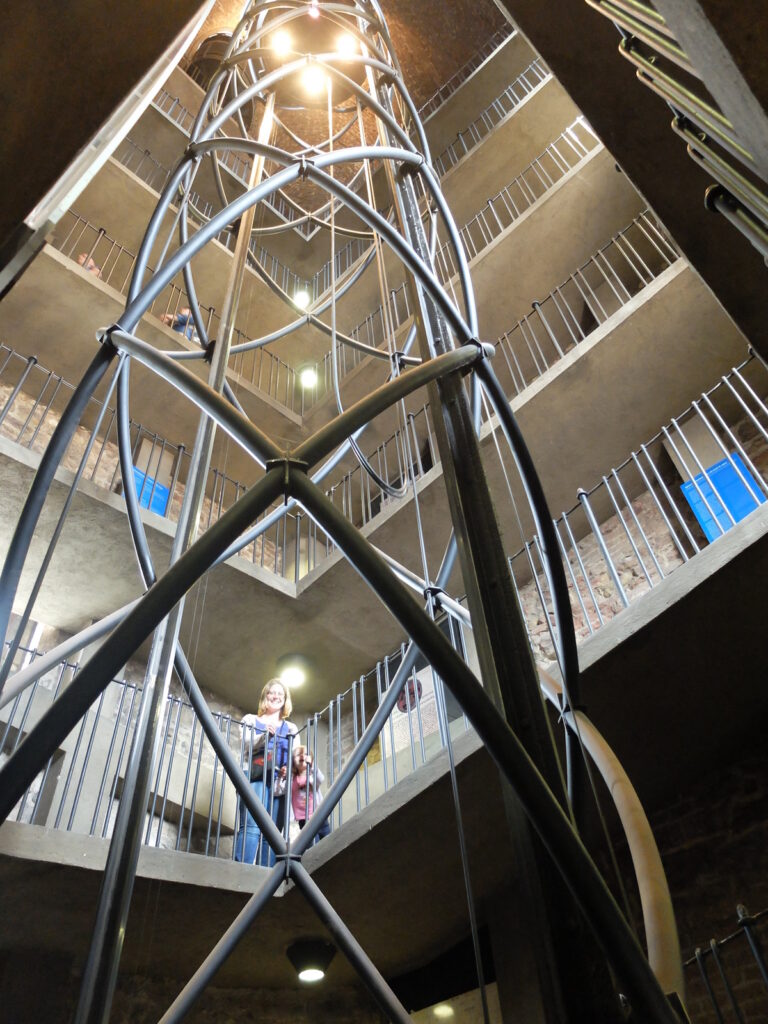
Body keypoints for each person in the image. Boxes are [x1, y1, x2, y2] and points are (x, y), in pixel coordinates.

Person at [235, 679, 297, 866]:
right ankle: (243, 869)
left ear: (285, 700)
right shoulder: (251, 720)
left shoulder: (291, 728)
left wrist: (290, 768)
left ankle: (266, 875)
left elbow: (295, 754)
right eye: (272, 692)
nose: (276, 696)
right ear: (265, 697)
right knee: (252, 826)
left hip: (279, 781)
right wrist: (264, 737)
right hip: (256, 775)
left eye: (280, 694)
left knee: (273, 831)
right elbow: (246, 743)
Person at [291, 745, 330, 843]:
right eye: (298, 754)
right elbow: (282, 789)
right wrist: (282, 776)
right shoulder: (292, 779)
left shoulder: (312, 775)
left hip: (319, 815)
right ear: (293, 763)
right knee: (313, 845)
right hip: (304, 820)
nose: (302, 756)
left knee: (328, 841)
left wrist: (312, 766)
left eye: (305, 754)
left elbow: (321, 779)